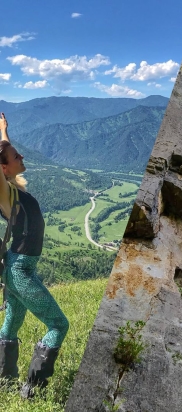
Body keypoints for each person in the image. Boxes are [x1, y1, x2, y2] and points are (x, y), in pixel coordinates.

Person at [0, 113, 69, 398]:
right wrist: (2, 139)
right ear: (4, 168)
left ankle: (4, 380)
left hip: (19, 267)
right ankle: (33, 390)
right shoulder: (4, 192)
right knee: (58, 324)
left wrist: (4, 130)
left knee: (12, 322)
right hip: (20, 270)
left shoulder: (13, 188)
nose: (21, 156)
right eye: (16, 156)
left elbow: (4, 156)